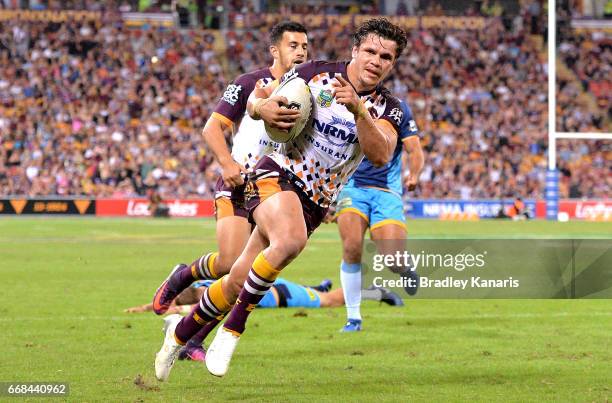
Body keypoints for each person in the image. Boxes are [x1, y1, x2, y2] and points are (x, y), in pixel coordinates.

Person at [153, 17, 408, 381]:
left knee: (238, 277)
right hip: (276, 173)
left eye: (386, 56)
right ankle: (232, 329)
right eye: (369, 51)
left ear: (392, 63)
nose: (376, 61)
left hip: (317, 201)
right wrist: (262, 109)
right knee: (289, 241)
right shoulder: (315, 75)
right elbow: (261, 99)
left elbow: (381, 153)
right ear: (355, 50)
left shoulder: (389, 107)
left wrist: (358, 110)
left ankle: (176, 336)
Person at [152, 21, 309, 316]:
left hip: (274, 189)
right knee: (228, 262)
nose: (300, 52)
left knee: (242, 277)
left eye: (304, 46)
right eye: (293, 46)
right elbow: (212, 128)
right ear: (274, 50)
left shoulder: (308, 92)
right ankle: (182, 277)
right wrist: (227, 164)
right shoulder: (249, 83)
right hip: (240, 182)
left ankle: (195, 339)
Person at [135, 278, 402, 361]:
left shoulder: (210, 292)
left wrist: (159, 309)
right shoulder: (211, 286)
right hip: (269, 286)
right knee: (320, 294)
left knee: (331, 300)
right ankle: (318, 286)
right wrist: (147, 307)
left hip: (280, 294)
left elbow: (195, 306)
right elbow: (189, 302)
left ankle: (375, 291)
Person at [335, 98, 424, 332]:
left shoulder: (399, 108)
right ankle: (353, 318)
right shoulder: (344, 100)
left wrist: (414, 175)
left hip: (387, 191)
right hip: (351, 187)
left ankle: (405, 270)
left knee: (393, 260)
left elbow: (414, 148)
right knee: (352, 246)